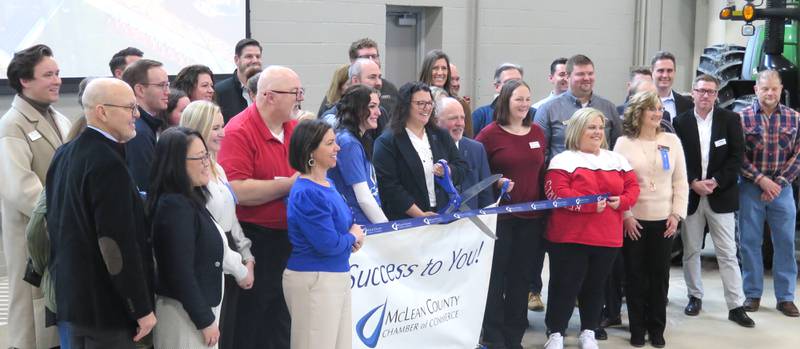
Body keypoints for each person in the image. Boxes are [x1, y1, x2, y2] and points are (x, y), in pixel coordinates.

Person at [46, 78, 156, 348]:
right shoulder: (108, 162)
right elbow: (115, 244)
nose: (136, 115)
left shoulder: (64, 153)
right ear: (102, 112)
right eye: (130, 108)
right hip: (107, 308)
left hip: (73, 301)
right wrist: (140, 307)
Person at [217, 65, 304, 349]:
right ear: (269, 96)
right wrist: (288, 185)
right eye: (294, 93)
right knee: (254, 321)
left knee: (282, 319)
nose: (300, 98)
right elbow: (237, 190)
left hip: (289, 238)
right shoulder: (239, 131)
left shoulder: (293, 129)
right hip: (256, 239)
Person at [543, 108, 640, 349]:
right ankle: (556, 332)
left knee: (595, 288)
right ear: (577, 130)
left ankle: (588, 331)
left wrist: (623, 201)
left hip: (606, 238)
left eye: (600, 127)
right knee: (564, 287)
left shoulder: (616, 159)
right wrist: (588, 205)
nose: (597, 132)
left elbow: (632, 187)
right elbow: (557, 194)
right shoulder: (562, 160)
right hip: (569, 238)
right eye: (591, 127)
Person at [0, 44, 69, 349]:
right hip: (35, 237)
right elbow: (21, 189)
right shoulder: (11, 125)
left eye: (58, 73)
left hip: (62, 233)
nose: (57, 81)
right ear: (25, 80)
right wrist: (68, 213)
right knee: (31, 325)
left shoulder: (60, 118)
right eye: (48, 75)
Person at [148, 127, 242, 348]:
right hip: (184, 314)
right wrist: (204, 319)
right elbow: (179, 272)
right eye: (199, 158)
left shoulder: (190, 199)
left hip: (196, 311)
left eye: (206, 155)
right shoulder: (174, 206)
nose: (206, 163)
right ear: (176, 164)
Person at [673, 74, 754, 327]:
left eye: (710, 91)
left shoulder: (730, 120)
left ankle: (736, 306)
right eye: (701, 90)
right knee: (691, 250)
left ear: (717, 95)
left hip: (721, 195)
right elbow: (679, 159)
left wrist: (716, 181)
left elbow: (737, 156)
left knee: (728, 253)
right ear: (693, 93)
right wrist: (692, 182)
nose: (705, 95)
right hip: (692, 195)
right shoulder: (680, 122)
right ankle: (694, 296)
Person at [474, 79, 546, 349]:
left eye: (527, 99)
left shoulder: (537, 132)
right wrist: (498, 182)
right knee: (496, 279)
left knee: (521, 279)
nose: (524, 104)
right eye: (519, 99)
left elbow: (541, 171)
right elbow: (477, 171)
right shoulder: (489, 135)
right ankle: (493, 335)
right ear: (506, 100)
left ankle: (515, 336)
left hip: (530, 220)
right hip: (500, 221)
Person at [614, 90, 688, 347]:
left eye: (659, 108)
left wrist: (676, 214)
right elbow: (617, 183)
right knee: (634, 276)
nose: (658, 113)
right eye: (652, 109)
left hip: (664, 221)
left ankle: (657, 328)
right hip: (633, 220)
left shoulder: (672, 141)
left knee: (659, 277)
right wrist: (626, 215)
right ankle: (637, 328)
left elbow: (681, 181)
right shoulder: (623, 143)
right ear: (639, 112)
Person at [180, 101, 256, 349]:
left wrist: (247, 254)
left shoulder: (218, 169)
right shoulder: (191, 178)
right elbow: (210, 234)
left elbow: (231, 218)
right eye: (215, 128)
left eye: (222, 126)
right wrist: (240, 269)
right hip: (212, 263)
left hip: (230, 260)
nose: (223, 133)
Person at [284, 119, 366, 349]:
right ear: (311, 150)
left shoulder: (328, 183)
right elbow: (328, 244)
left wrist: (350, 239)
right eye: (330, 143)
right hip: (315, 279)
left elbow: (344, 227)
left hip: (335, 275)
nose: (337, 148)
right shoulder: (307, 192)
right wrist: (351, 238)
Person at [739, 69, 800, 317]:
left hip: (782, 190)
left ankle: (785, 297)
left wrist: (778, 183)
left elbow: (798, 155)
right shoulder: (741, 118)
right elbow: (738, 156)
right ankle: (752, 294)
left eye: (774, 88)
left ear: (781, 89)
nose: (770, 93)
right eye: (765, 88)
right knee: (749, 242)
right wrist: (761, 180)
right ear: (756, 89)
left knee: (785, 242)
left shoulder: (794, 118)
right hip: (750, 188)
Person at [373, 81, 468, 220]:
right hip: (407, 220)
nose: (426, 108)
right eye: (420, 103)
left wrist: (447, 171)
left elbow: (462, 167)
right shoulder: (387, 142)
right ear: (405, 105)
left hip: (443, 214)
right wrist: (420, 215)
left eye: (429, 103)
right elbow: (389, 186)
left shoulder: (441, 135)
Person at [535, 54, 622, 160]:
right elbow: (540, 152)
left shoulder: (609, 108)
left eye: (590, 73)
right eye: (580, 74)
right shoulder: (548, 109)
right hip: (563, 169)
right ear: (568, 76)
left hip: (601, 169)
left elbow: (617, 146)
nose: (586, 78)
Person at [327, 85, 388, 225]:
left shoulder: (358, 139)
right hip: (358, 224)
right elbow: (363, 198)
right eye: (372, 106)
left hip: (365, 221)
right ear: (357, 108)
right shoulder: (348, 143)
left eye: (378, 106)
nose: (378, 112)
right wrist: (386, 227)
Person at [436, 96, 493, 209]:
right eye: (453, 118)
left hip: (472, 219)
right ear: (436, 120)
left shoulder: (476, 149)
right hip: (437, 218)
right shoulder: (427, 149)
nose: (460, 123)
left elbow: (486, 195)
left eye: (462, 118)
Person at [122, 58, 170, 192]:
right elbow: (146, 187)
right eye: (161, 85)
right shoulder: (138, 132)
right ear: (140, 90)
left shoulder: (146, 126)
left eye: (167, 85)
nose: (168, 92)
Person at [321, 59, 388, 135]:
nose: (379, 83)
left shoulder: (380, 113)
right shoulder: (333, 119)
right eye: (372, 77)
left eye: (379, 77)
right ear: (355, 81)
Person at [345, 38, 400, 117]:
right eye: (365, 57)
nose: (371, 60)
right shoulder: (342, 89)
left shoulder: (390, 88)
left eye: (374, 56)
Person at [472, 62, 529, 134]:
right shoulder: (481, 116)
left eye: (518, 82)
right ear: (497, 86)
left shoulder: (532, 114)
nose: (515, 86)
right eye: (509, 82)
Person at [216, 38, 263, 122]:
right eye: (249, 56)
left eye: (258, 56)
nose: (255, 60)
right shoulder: (220, 92)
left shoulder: (269, 89)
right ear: (236, 60)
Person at [651, 51, 693, 124]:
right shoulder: (639, 103)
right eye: (661, 70)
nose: (665, 75)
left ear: (674, 72)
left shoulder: (687, 105)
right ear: (652, 72)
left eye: (669, 71)